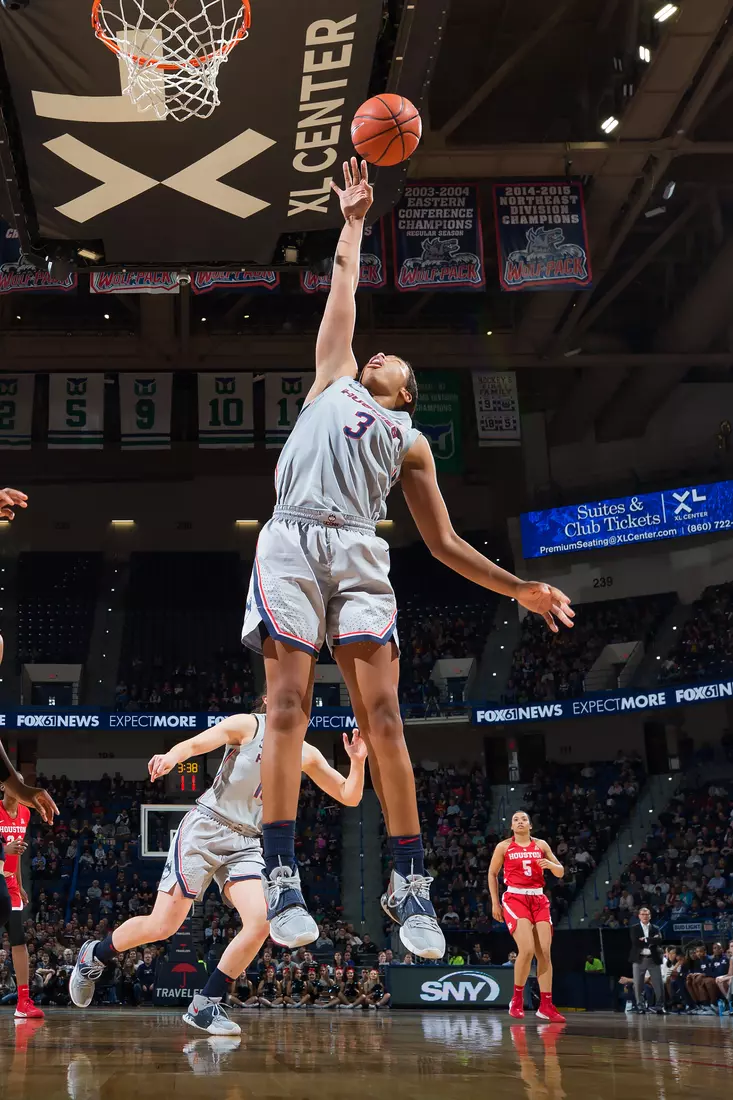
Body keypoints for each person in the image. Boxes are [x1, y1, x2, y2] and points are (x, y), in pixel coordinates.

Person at [240, 156, 574, 960]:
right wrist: (352, 221)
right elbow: (343, 293)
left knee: (383, 719)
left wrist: (518, 586)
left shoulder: (411, 442)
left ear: (405, 389)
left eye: (390, 360)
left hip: (359, 549)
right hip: (290, 537)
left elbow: (445, 543)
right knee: (286, 708)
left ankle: (409, 880)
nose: (376, 352)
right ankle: (281, 868)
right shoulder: (330, 379)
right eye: (372, 352)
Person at [68, 700, 366, 1035]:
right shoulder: (249, 725)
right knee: (163, 925)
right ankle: (94, 954)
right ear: (270, 699)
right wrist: (171, 757)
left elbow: (348, 795)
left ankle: (206, 1004)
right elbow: (197, 743)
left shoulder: (307, 752)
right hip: (207, 828)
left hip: (248, 841)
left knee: (261, 922)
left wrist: (357, 762)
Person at [488, 810, 565, 1022]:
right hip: (515, 898)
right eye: (515, 819)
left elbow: (560, 871)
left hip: (538, 899)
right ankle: (517, 999)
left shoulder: (541, 845)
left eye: (524, 819)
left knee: (545, 953)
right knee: (528, 949)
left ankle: (546, 1006)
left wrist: (550, 865)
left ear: (530, 825)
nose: (520, 822)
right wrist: (495, 902)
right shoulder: (503, 846)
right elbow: (492, 873)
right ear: (512, 827)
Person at [0, 781, 44, 1018]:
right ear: (3, 787)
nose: (18, 788)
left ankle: (23, 1002)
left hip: (11, 885)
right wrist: (5, 849)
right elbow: (8, 850)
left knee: (18, 940)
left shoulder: (25, 813)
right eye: (13, 784)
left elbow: (16, 855)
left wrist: (20, 884)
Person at [628, 907, 665, 1013]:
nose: (645, 916)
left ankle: (659, 1006)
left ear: (650, 916)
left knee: (658, 983)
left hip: (653, 959)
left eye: (647, 914)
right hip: (639, 959)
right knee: (638, 984)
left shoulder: (655, 927)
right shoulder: (634, 928)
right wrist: (651, 940)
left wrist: (645, 939)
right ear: (639, 916)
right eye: (643, 914)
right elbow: (636, 942)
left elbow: (659, 940)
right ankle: (640, 1006)